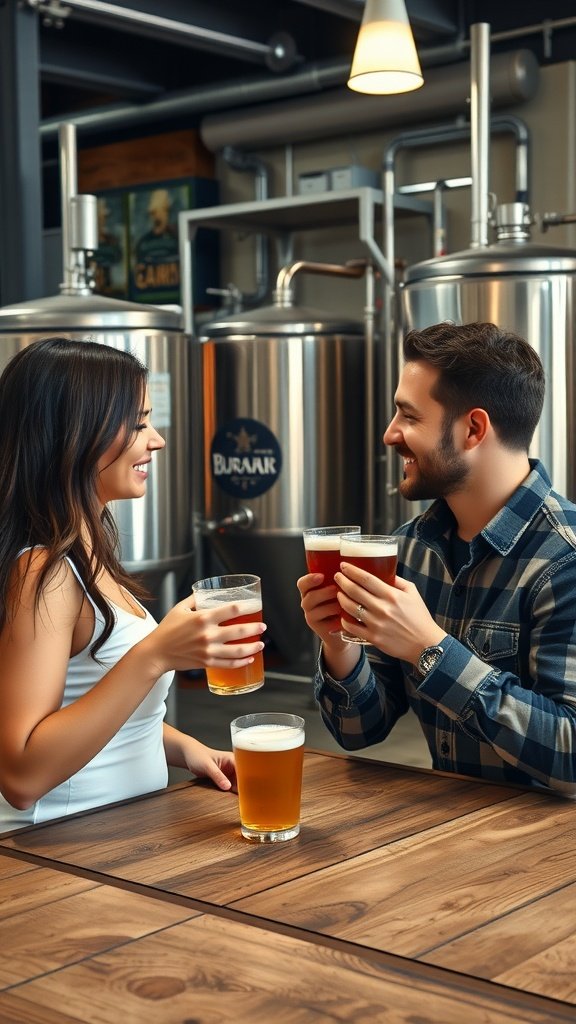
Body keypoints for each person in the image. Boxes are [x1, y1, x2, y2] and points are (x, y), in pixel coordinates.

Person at [298, 321, 576, 796]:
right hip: (452, 833)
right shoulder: (409, 549)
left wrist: (430, 650)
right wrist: (339, 646)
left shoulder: (563, 560)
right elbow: (359, 731)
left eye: (408, 416)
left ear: (473, 429)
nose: (390, 435)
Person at [0, 337, 266, 831]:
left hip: (118, 843)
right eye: (139, 423)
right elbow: (21, 775)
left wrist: (183, 747)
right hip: (54, 861)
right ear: (74, 433)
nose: (157, 439)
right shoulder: (44, 569)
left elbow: (90, 705)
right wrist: (155, 655)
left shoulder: (86, 551)